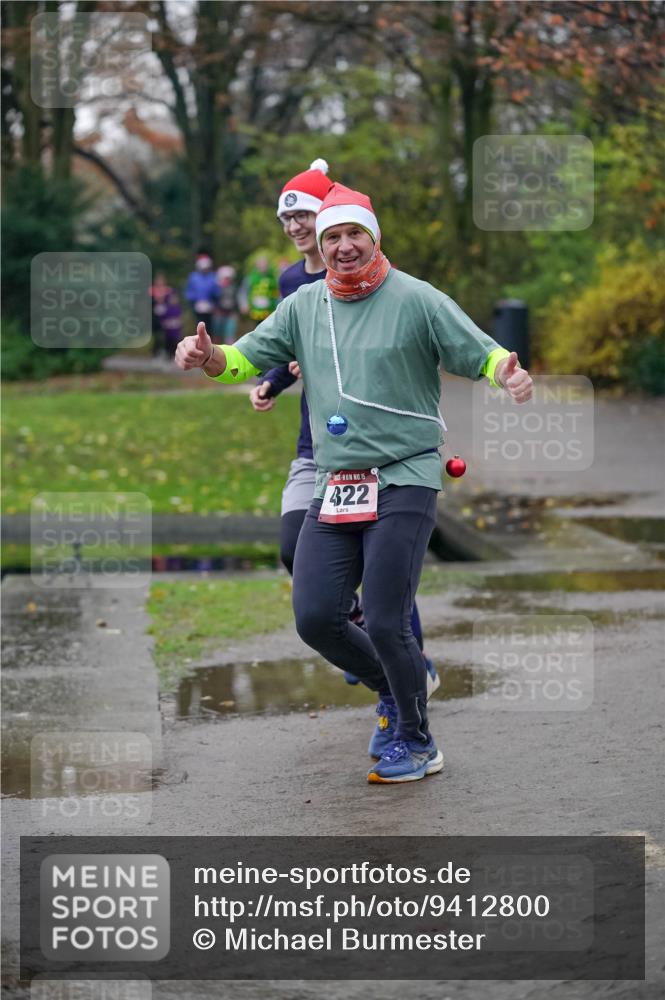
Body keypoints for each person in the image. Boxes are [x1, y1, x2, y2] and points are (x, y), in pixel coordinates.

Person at [176, 183, 533, 783]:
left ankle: (417, 742)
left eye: (353, 235)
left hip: (406, 475)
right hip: (335, 481)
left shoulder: (417, 298)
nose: (342, 247)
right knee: (317, 616)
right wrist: (210, 357)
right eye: (331, 237)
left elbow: (482, 352)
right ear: (320, 242)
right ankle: (398, 688)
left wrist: (507, 375)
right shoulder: (302, 305)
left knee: (389, 620)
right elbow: (242, 359)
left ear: (374, 237)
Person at [249, 159, 439, 697]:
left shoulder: (372, 277)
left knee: (387, 572)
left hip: (379, 448)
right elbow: (279, 345)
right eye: (287, 220)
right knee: (295, 547)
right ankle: (352, 630)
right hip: (321, 444)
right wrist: (271, 381)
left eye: (305, 215)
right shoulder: (293, 283)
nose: (296, 228)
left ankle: (406, 660)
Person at [238, 254, 280, 324]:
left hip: (270, 311)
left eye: (265, 264)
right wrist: (244, 305)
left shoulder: (274, 278)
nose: (263, 266)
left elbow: (278, 293)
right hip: (255, 311)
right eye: (261, 264)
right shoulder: (250, 278)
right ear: (257, 265)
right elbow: (243, 292)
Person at [185, 252, 219, 329]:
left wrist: (213, 300)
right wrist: (193, 300)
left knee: (209, 326)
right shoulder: (193, 277)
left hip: (210, 305)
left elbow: (216, 291)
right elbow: (189, 291)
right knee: (199, 325)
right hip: (197, 305)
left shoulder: (212, 276)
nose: (205, 270)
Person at [213, 265, 239, 345]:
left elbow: (237, 300)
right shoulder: (217, 288)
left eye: (228, 278)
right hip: (219, 314)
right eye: (225, 278)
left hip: (230, 314)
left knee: (230, 335)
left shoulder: (234, 288)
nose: (226, 280)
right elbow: (213, 299)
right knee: (217, 334)